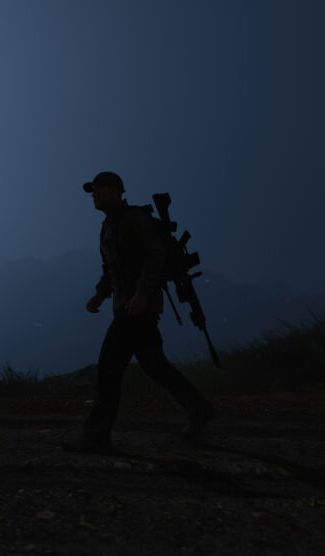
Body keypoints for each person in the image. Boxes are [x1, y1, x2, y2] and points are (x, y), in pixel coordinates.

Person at [63, 171, 217, 454]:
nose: (93, 195)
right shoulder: (107, 227)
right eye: (92, 190)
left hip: (137, 307)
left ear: (114, 190)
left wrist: (142, 293)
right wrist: (99, 295)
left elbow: (156, 254)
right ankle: (200, 409)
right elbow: (111, 269)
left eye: (97, 189)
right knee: (155, 365)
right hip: (127, 305)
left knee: (109, 366)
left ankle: (95, 437)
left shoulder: (134, 218)